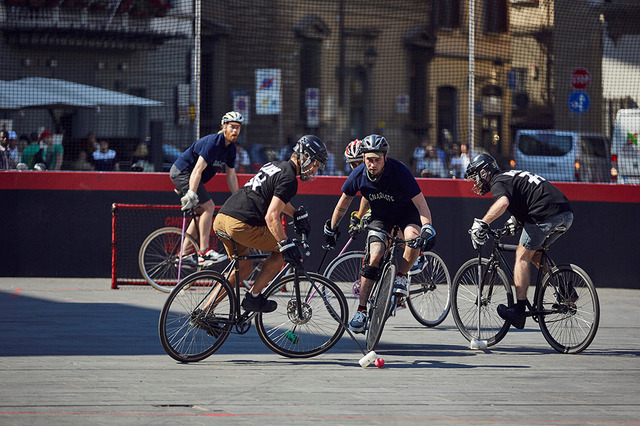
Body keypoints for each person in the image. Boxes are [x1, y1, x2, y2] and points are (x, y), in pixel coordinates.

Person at [323, 134, 437, 333]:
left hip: (406, 215)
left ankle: (401, 274)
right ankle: (361, 309)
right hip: (380, 218)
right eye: (369, 159)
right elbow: (343, 204)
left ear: (385, 157)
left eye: (377, 159)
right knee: (374, 255)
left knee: (412, 240)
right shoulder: (358, 174)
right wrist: (332, 228)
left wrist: (427, 227)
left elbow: (421, 205)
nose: (372, 164)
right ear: (363, 158)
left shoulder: (399, 171)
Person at [213, 135, 328, 313]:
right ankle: (253, 297)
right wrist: (285, 244)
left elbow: (272, 198)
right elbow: (272, 216)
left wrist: (295, 214)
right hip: (242, 224)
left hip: (222, 218)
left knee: (243, 268)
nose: (315, 170)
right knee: (282, 252)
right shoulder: (290, 179)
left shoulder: (275, 165)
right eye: (315, 164)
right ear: (305, 157)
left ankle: (205, 311)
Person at [465, 153, 574, 330]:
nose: (475, 183)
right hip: (565, 214)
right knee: (535, 254)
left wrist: (484, 223)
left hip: (544, 214)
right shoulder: (510, 175)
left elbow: (503, 202)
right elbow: (527, 196)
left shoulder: (498, 182)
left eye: (475, 178)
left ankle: (519, 310)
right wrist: (515, 222)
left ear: (484, 173)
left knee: (521, 255)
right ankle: (566, 291)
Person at [170, 111, 243, 267]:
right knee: (209, 206)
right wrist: (191, 193)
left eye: (238, 128)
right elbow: (197, 170)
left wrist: (238, 197)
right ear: (224, 127)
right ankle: (203, 252)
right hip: (182, 173)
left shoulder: (230, 149)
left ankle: (182, 255)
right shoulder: (213, 143)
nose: (235, 131)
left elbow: (231, 175)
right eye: (232, 127)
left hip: (192, 177)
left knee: (200, 215)